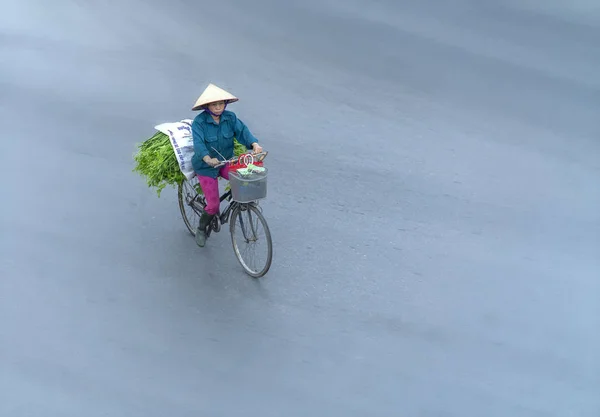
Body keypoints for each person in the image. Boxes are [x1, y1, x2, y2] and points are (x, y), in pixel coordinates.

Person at [190, 83, 263, 247]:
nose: (218, 107)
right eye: (214, 104)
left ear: (225, 104)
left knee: (244, 175)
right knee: (213, 205)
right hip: (206, 167)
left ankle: (239, 202)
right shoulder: (199, 123)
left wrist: (254, 145)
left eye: (221, 103)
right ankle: (201, 228)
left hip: (225, 160)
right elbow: (199, 144)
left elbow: (243, 132)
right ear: (207, 106)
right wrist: (207, 158)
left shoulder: (230, 118)